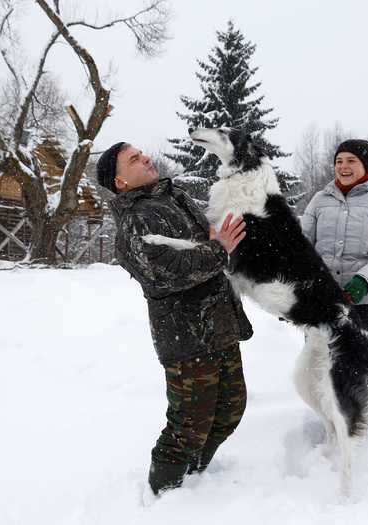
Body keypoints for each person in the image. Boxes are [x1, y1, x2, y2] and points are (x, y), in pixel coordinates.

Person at [96, 142, 253, 496]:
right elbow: (165, 272)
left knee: (230, 410)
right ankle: (163, 495)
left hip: (218, 323)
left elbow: (203, 245)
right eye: (133, 159)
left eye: (142, 153)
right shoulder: (135, 219)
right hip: (186, 336)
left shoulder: (173, 197)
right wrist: (219, 249)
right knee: (189, 426)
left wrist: (214, 240)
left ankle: (194, 476)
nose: (145, 158)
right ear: (119, 181)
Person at [300, 139, 368, 343]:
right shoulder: (319, 200)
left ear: (365, 165)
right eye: (338, 161)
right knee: (318, 365)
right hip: (321, 300)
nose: (343, 166)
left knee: (359, 369)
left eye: (351, 160)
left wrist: (363, 282)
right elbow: (301, 248)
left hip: (365, 303)